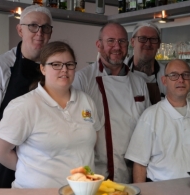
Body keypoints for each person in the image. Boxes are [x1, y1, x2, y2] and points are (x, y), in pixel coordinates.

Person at [0, 41, 101, 188]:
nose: (64, 70)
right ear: (42, 68)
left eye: (69, 64)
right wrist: (29, 168)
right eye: (56, 64)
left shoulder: (86, 101)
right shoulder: (25, 106)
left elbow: (93, 143)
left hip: (81, 190)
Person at [0, 5, 53, 188]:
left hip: (40, 159)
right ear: (20, 30)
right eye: (33, 26)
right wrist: (11, 138)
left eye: (45, 28)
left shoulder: (53, 68)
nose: (39, 33)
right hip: (2, 158)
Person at [72, 22, 151, 183]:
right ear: (99, 45)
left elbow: (148, 129)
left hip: (133, 171)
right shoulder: (83, 79)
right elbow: (74, 128)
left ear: (128, 45)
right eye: (111, 41)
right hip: (94, 173)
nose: (117, 46)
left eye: (122, 41)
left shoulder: (139, 82)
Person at [125, 59, 190, 182]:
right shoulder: (150, 116)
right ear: (164, 81)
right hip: (160, 190)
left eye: (185, 75)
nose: (181, 80)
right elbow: (139, 164)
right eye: (173, 75)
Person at [126, 22, 166, 104]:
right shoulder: (121, 72)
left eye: (153, 39)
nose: (148, 43)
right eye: (142, 38)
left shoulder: (167, 74)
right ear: (133, 42)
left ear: (158, 44)